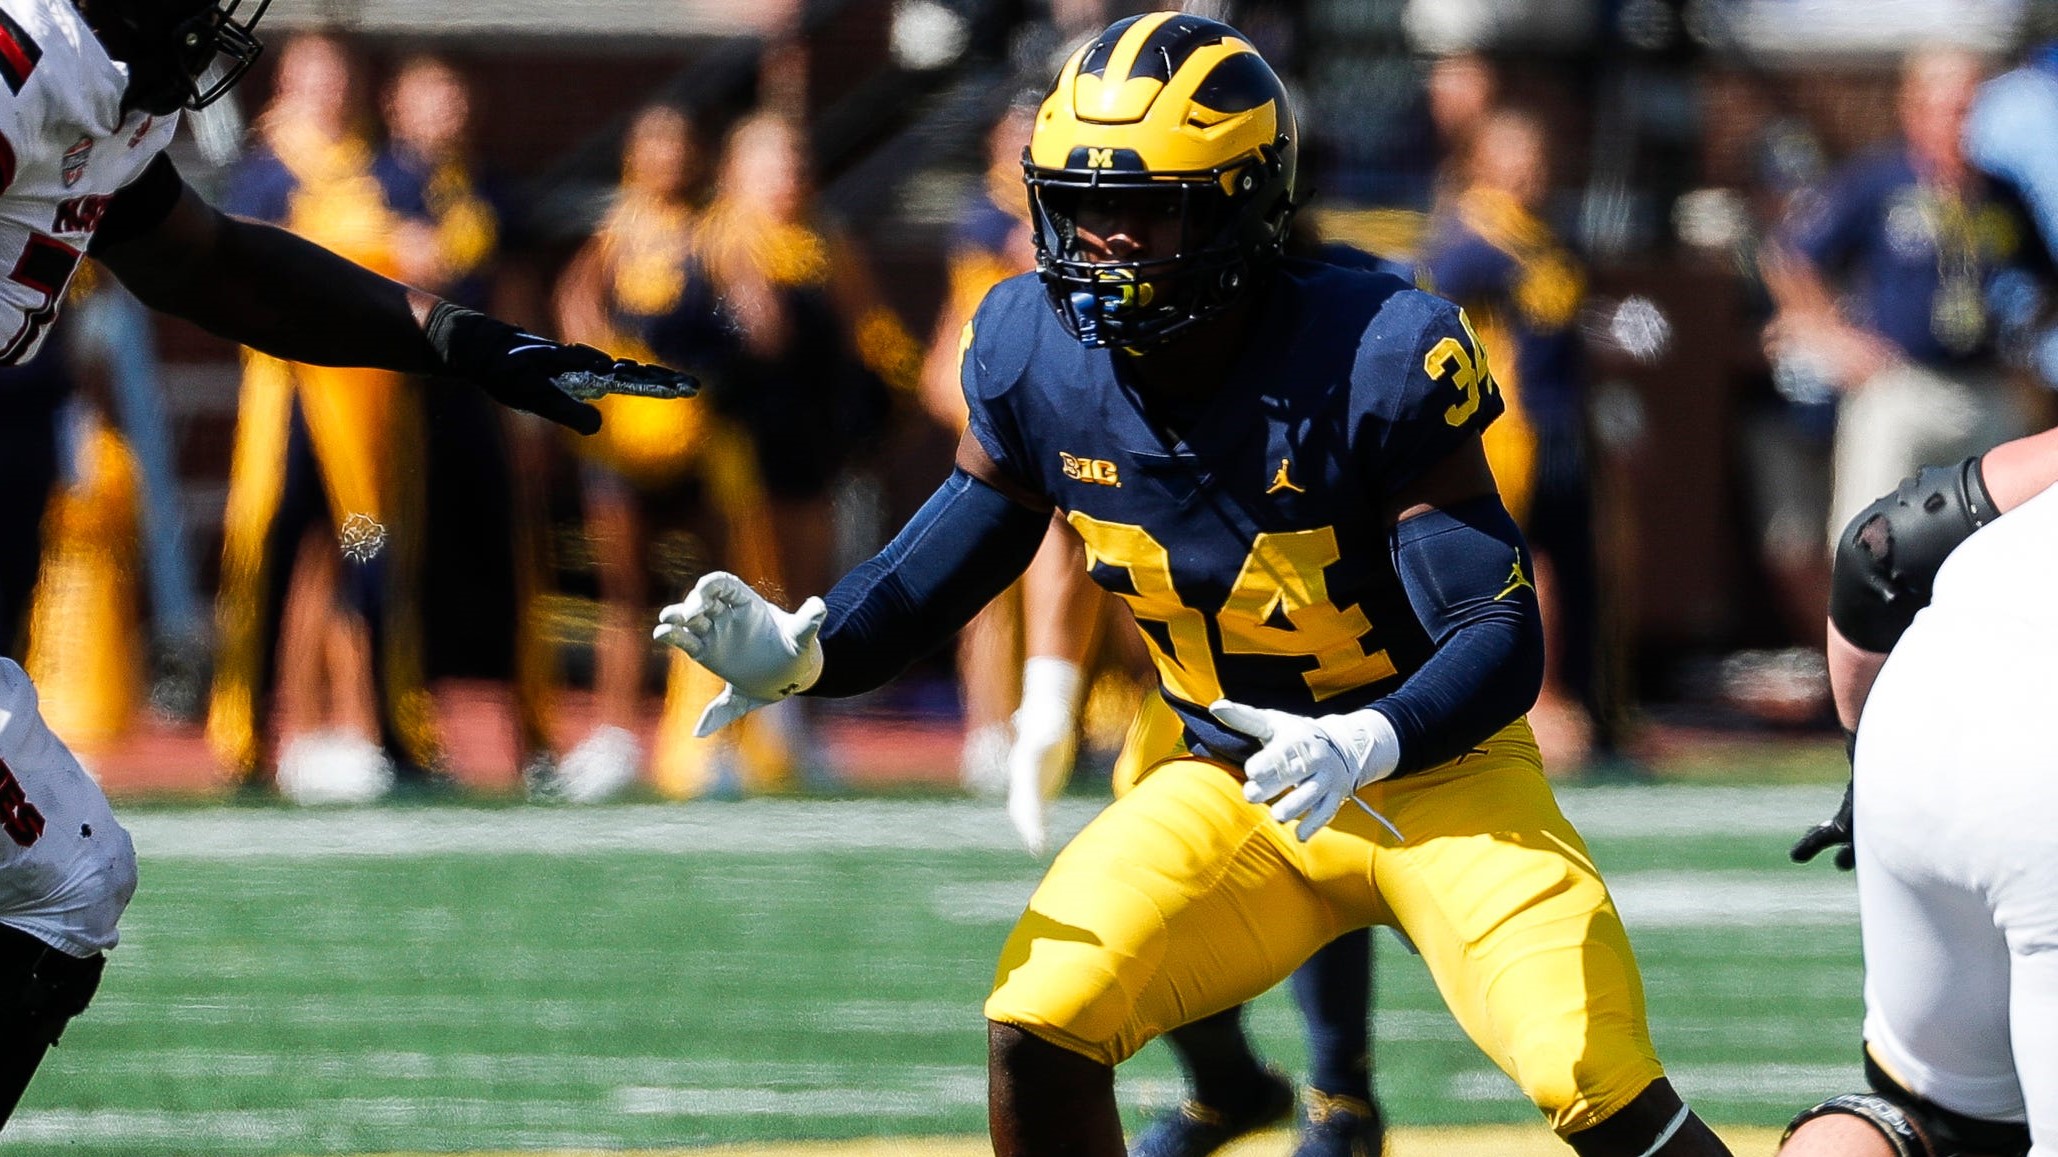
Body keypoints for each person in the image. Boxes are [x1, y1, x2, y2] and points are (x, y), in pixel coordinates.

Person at [657, 14, 1729, 1157]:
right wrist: (813, 650)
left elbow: (1496, 630)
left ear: (1241, 203)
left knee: (1594, 1075)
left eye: (1145, 204)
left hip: (1436, 774)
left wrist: (1368, 738)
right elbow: (942, 563)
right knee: (1038, 1019)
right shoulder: (1032, 347)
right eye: (1081, 203)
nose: (1105, 239)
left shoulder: (1371, 351)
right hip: (1225, 779)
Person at [0, 0, 687, 1120]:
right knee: (66, 876)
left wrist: (453, 338)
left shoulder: (92, 78)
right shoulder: (28, 54)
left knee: (67, 872)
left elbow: (212, 265)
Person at [1781, 427, 2058, 1156]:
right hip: (2045, 788)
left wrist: (1860, 762)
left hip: (1920, 714)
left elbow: (1881, 546)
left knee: (1935, 1121)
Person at [1764, 47, 2045, 545]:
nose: (1963, 122)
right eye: (1951, 108)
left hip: (1981, 388)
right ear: (1915, 109)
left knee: (1998, 543)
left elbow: (2044, 281)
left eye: (1971, 107)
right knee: (1871, 542)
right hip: (1900, 384)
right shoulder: (1878, 181)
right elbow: (1790, 255)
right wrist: (1833, 336)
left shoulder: (2001, 195)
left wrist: (2024, 356)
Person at [1418, 107, 1609, 769]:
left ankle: (1574, 697)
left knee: (1573, 559)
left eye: (1535, 156)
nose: (1529, 171)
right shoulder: (1471, 241)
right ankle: (1540, 697)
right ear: (1482, 162)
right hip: (1509, 429)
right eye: (1512, 157)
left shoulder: (1544, 234)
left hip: (1560, 422)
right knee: (1530, 561)